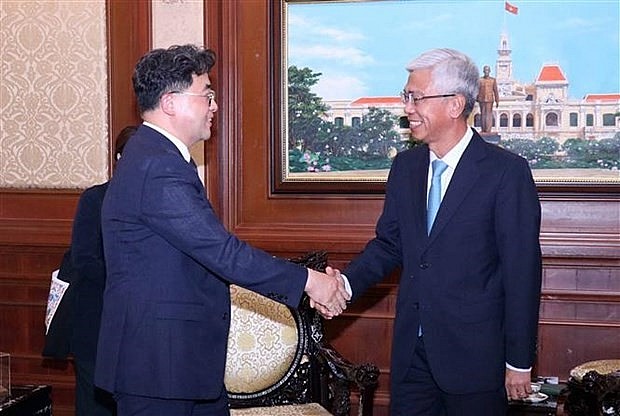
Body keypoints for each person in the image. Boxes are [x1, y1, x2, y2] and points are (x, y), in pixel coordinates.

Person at [94, 44, 349, 416]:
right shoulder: (157, 167)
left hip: (181, 366)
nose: (214, 106)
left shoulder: (156, 158)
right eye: (207, 95)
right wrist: (312, 281)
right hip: (158, 370)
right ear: (170, 102)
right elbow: (223, 253)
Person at [336, 48, 542, 415]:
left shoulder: (506, 173)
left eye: (415, 97)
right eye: (406, 96)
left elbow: (522, 272)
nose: (407, 108)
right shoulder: (405, 167)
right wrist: (345, 285)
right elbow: (390, 245)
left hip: (476, 361)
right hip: (411, 357)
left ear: (454, 104)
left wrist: (519, 361)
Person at [70, 125, 137, 416]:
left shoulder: (162, 200)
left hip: (140, 327)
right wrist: (131, 283)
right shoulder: (95, 199)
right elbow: (83, 259)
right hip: (96, 322)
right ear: (120, 158)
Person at [477, 65, 500, 133]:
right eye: (485, 70)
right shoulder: (480, 80)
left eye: (488, 70)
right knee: (483, 115)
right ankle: (483, 129)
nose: (486, 71)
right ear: (483, 71)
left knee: (489, 115)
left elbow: (495, 91)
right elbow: (477, 90)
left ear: (489, 71)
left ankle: (488, 130)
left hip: (490, 99)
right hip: (481, 99)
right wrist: (476, 98)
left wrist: (497, 100)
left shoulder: (493, 80)